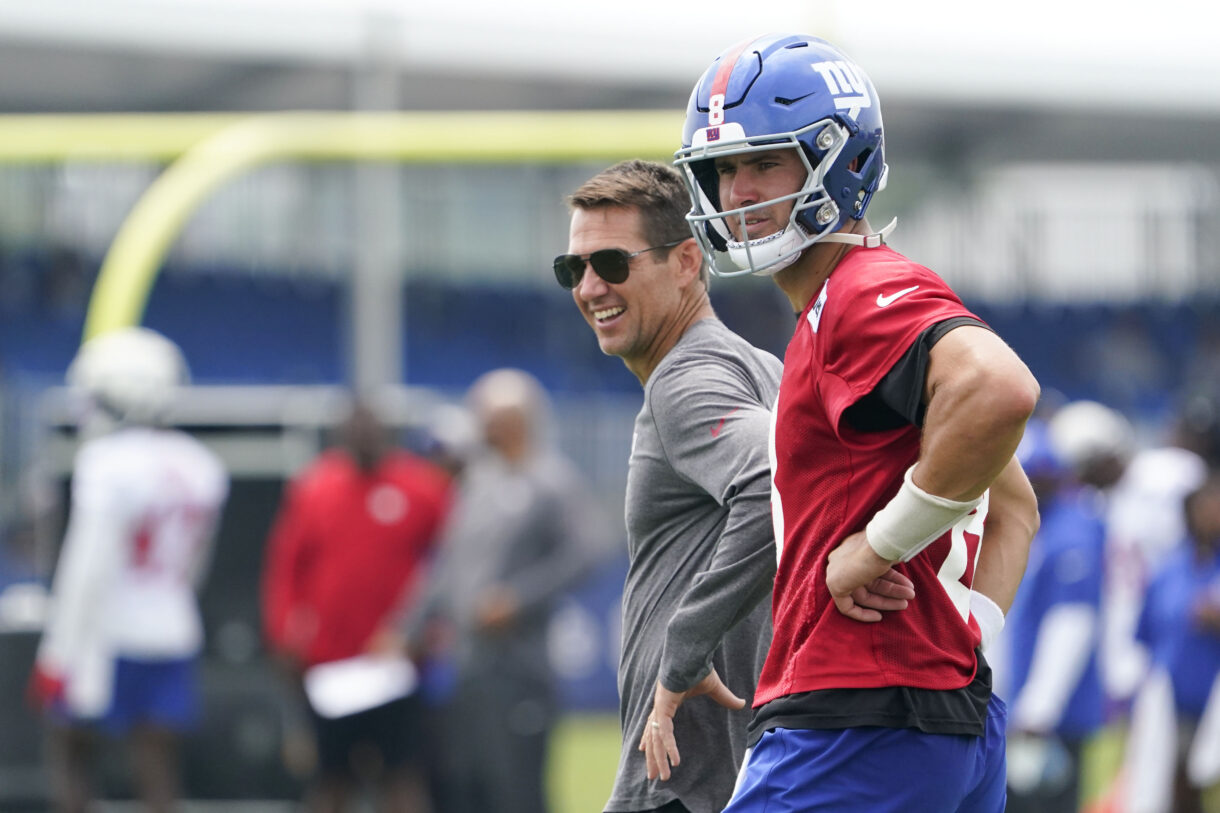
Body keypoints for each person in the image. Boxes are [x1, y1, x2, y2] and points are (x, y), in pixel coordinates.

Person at [673, 33, 1041, 811]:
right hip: (939, 719)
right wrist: (962, 631)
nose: (736, 192)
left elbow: (1000, 388)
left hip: (856, 721)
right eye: (722, 170)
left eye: (764, 162)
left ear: (839, 160)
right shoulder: (845, 302)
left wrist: (875, 547)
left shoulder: (857, 292)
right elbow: (1014, 509)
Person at [560, 158, 910, 812]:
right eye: (571, 269)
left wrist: (684, 649)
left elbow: (770, 478)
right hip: (739, 764)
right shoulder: (761, 367)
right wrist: (850, 551)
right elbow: (817, 482)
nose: (588, 287)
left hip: (685, 782)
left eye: (611, 264)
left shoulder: (684, 381)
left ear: (688, 261)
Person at [28, 326, 229, 813]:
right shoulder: (202, 464)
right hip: (173, 626)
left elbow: (86, 569)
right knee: (157, 768)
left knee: (71, 754)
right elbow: (195, 566)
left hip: (107, 632)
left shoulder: (106, 462)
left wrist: (57, 656)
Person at [404, 368, 608, 813]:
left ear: (517, 419)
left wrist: (518, 599)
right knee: (466, 787)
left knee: (515, 791)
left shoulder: (552, 480)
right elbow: (446, 567)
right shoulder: (477, 483)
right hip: (467, 667)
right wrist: (407, 627)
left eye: (487, 415)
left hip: (520, 669)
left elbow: (589, 551)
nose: (478, 424)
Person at [261, 398, 452, 813]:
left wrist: (429, 631)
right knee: (331, 779)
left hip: (395, 664)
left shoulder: (420, 487)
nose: (364, 438)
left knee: (400, 777)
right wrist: (283, 633)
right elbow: (286, 567)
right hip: (330, 664)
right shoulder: (314, 488)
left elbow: (451, 562)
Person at [1002, 410, 1115, 812]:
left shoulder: (1072, 528)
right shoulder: (1041, 524)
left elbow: (1073, 623)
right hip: (1022, 706)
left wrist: (1039, 708)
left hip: (1051, 717)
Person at [1119, 470, 1220, 813]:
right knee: (1163, 788)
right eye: (1203, 507)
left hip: (1212, 704)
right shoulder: (1169, 570)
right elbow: (1144, 636)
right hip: (1167, 702)